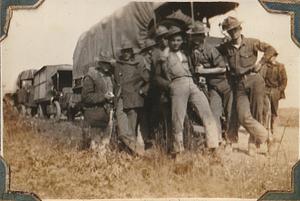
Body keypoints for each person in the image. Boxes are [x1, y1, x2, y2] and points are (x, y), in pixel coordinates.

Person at [155, 26, 220, 157]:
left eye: (178, 40)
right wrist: (169, 85)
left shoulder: (186, 52)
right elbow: (156, 77)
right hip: (177, 84)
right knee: (177, 119)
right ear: (168, 41)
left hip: (192, 83)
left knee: (207, 112)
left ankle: (213, 148)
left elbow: (196, 42)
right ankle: (178, 151)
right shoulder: (164, 55)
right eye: (173, 40)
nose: (176, 43)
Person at [218, 16, 277, 155]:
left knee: (257, 112)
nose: (233, 33)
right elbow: (212, 50)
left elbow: (271, 49)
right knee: (243, 115)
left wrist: (261, 63)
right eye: (230, 31)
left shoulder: (251, 42)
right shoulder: (226, 47)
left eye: (235, 29)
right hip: (239, 85)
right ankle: (269, 138)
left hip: (255, 80)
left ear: (240, 28)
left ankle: (253, 143)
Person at [187, 21, 237, 145]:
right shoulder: (192, 51)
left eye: (199, 35)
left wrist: (204, 71)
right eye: (194, 36)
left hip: (225, 85)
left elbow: (222, 68)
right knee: (214, 113)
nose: (196, 38)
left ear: (203, 36)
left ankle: (231, 141)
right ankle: (218, 140)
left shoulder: (211, 50)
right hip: (212, 87)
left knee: (230, 113)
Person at [114, 40, 150, 155]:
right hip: (120, 99)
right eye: (124, 51)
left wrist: (142, 91)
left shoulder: (137, 65)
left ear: (131, 52)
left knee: (131, 130)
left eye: (128, 51)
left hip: (133, 101)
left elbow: (149, 80)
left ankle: (134, 154)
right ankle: (140, 153)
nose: (126, 54)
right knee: (122, 131)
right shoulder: (118, 65)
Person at [81, 55, 115, 152]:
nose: (106, 66)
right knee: (95, 141)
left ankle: (102, 163)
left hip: (108, 113)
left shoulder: (109, 76)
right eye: (104, 63)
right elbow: (86, 97)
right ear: (99, 63)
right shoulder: (91, 76)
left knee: (105, 141)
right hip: (96, 112)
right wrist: (104, 97)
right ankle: (95, 163)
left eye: (108, 63)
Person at [260, 53, 287, 134]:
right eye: (270, 56)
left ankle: (273, 129)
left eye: (272, 56)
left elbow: (284, 80)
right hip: (265, 90)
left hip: (275, 91)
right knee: (265, 110)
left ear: (275, 57)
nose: (271, 58)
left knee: (274, 111)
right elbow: (260, 78)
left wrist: (279, 90)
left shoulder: (280, 66)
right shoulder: (265, 66)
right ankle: (265, 130)